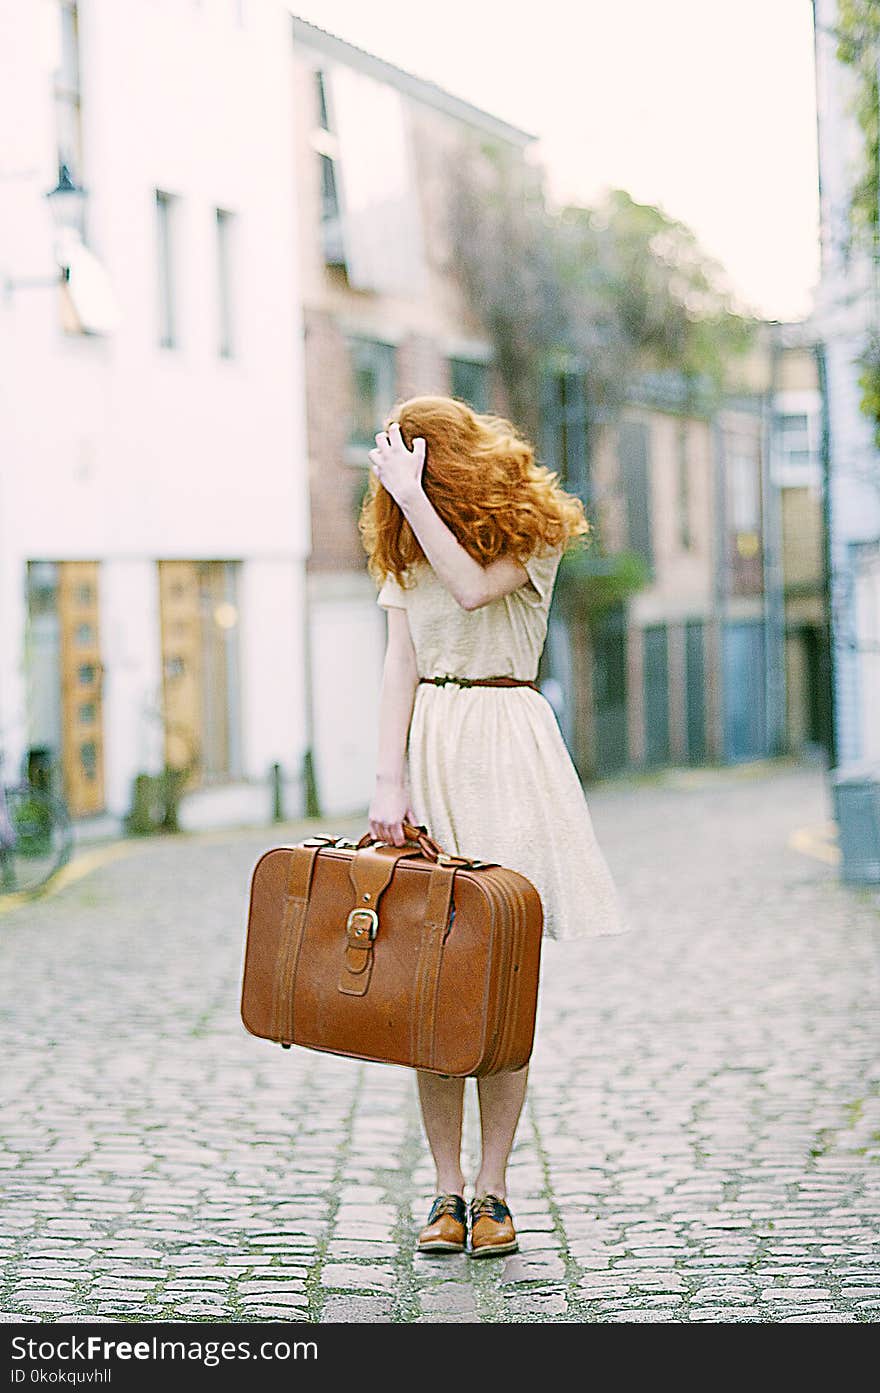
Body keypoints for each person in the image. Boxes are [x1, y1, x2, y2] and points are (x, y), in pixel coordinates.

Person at [360, 396, 627, 1259]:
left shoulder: (530, 525)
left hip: (508, 744)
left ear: (450, 461)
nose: (405, 481)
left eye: (418, 464)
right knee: (429, 991)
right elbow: (400, 661)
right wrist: (386, 778)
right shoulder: (403, 539)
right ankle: (444, 1188)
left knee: (501, 979)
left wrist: (411, 498)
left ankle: (494, 1190)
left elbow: (472, 592)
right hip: (432, 745)